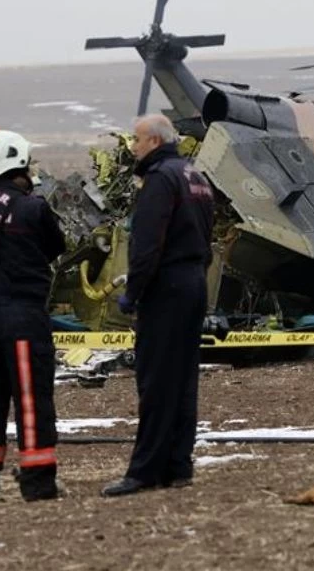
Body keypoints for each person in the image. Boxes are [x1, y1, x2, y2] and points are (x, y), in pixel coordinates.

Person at [102, 115, 215, 498]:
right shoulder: (194, 176)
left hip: (166, 288)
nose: (132, 147)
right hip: (193, 282)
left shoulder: (160, 180)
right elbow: (208, 235)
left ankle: (145, 471)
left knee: (155, 382)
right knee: (183, 380)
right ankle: (178, 465)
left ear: (152, 140)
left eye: (136, 140)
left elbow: (147, 244)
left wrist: (133, 293)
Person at [0, 130, 66, 502]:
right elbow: (56, 247)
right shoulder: (32, 208)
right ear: (17, 163)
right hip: (21, 314)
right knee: (31, 398)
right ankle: (37, 484)